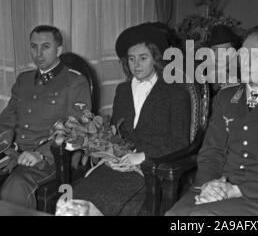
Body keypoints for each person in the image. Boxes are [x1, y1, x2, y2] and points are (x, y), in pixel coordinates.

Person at [166, 26, 258, 216]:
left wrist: (234, 191)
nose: (247, 63)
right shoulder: (226, 97)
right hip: (216, 188)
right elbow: (212, 151)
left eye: (257, 56)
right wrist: (209, 185)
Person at [72, 23, 191, 216]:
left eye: (143, 58)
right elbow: (117, 134)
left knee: (106, 203)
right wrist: (109, 155)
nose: (136, 65)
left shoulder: (175, 93)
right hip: (119, 163)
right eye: (131, 59)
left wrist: (142, 156)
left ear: (156, 59)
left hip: (152, 168)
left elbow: (181, 142)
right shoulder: (123, 91)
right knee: (75, 199)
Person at [0, 25, 91, 208]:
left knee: (14, 188)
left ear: (59, 50)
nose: (38, 53)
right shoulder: (24, 80)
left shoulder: (75, 81)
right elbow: (7, 119)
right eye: (33, 46)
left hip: (51, 158)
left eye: (45, 47)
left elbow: (76, 128)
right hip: (15, 152)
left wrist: (40, 154)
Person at [203, 25, 241, 97]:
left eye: (225, 49)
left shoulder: (245, 75)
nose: (219, 54)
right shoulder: (202, 74)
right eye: (215, 49)